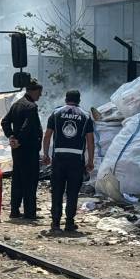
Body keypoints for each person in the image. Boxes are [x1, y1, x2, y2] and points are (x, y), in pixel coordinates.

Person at [42, 90, 95, 232]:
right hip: (76, 160)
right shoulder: (85, 116)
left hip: (59, 159)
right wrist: (90, 161)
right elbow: (90, 141)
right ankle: (70, 223)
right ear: (79, 100)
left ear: (66, 99)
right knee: (72, 192)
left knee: (57, 191)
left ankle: (55, 223)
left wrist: (45, 154)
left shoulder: (56, 113)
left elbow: (47, 136)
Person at [1, 78, 43, 220]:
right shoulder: (31, 107)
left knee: (17, 180)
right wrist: (18, 139)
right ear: (32, 91)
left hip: (17, 150)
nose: (40, 95)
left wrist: (11, 137)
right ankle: (30, 213)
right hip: (29, 149)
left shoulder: (17, 104)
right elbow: (28, 126)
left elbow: (4, 122)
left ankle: (14, 210)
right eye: (39, 92)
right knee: (30, 181)